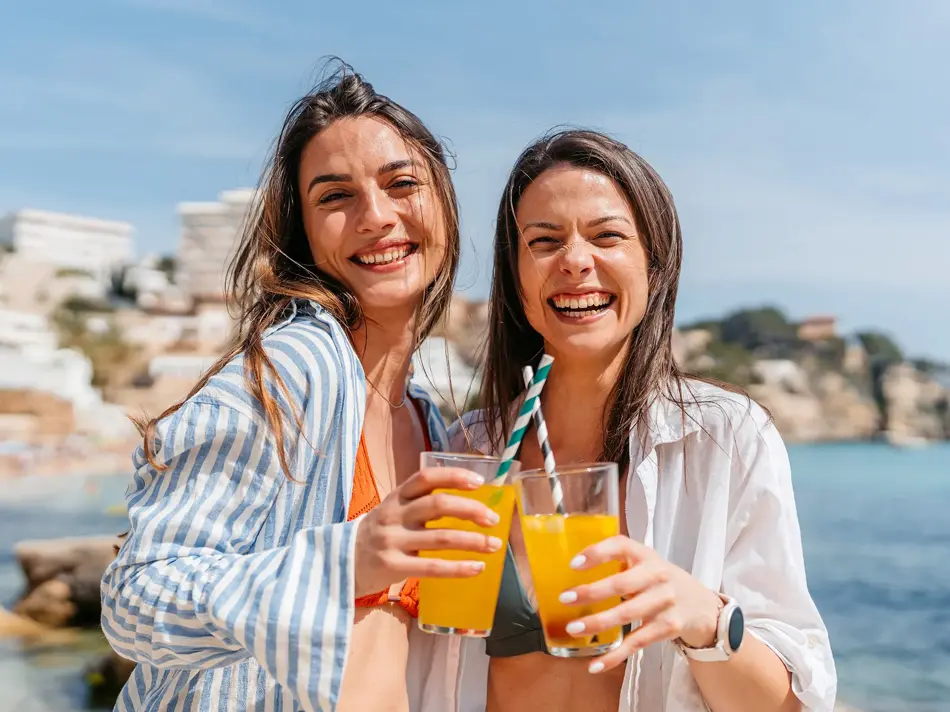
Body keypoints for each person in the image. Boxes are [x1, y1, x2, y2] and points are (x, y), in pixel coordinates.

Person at [100, 63, 503, 712]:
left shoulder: (430, 421)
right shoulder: (293, 369)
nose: (376, 216)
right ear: (305, 235)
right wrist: (349, 561)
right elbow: (136, 600)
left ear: (444, 205)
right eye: (335, 197)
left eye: (402, 184)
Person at [441, 129, 837, 711]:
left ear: (655, 265)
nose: (576, 261)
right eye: (544, 241)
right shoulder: (468, 448)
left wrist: (701, 616)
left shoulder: (725, 440)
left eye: (607, 237)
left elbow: (794, 705)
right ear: (517, 280)